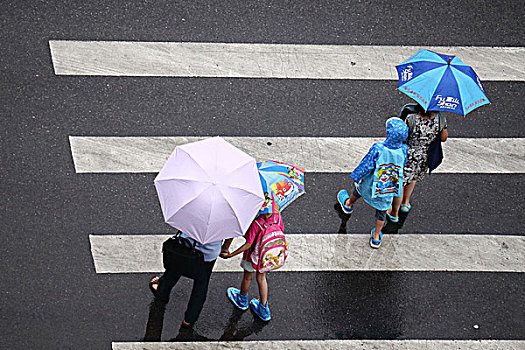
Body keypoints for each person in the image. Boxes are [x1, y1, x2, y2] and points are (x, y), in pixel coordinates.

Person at [337, 117, 408, 248]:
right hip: (387, 186)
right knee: (381, 211)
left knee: (358, 190)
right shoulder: (403, 150)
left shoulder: (378, 148)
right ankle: (376, 236)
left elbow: (367, 164)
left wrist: (357, 175)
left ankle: (348, 204)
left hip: (371, 183)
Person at [149, 232, 229, 329]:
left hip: (186, 244)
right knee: (201, 283)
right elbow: (231, 232)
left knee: (175, 268)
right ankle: (189, 319)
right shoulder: (228, 217)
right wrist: (225, 247)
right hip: (208, 254)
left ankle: (162, 291)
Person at [386, 104, 448, 223]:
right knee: (412, 178)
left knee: (400, 183)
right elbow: (443, 138)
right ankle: (405, 203)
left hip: (407, 155)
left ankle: (394, 213)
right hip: (424, 156)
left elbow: (403, 136)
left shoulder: (411, 118)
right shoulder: (440, 119)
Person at [220, 213, 284, 321]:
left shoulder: (257, 223)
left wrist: (231, 254)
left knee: (247, 277)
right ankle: (263, 309)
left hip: (252, 255)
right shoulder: (277, 217)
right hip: (266, 257)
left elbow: (248, 244)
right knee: (262, 279)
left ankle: (242, 299)